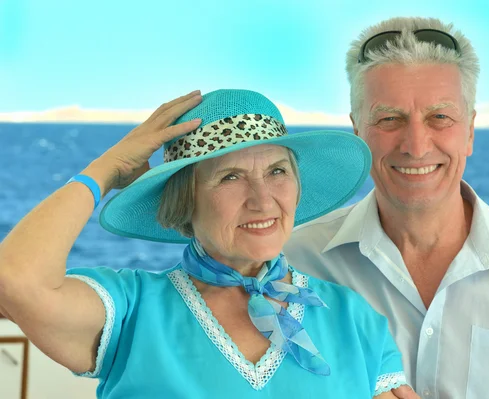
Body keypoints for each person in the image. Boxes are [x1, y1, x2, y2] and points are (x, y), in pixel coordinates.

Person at [0, 89, 413, 398]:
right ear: (185, 201)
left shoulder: (353, 318)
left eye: (276, 171)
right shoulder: (130, 310)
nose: (262, 198)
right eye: (230, 177)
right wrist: (106, 168)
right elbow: (15, 279)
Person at [284, 16, 489, 398]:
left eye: (439, 117)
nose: (416, 146)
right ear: (357, 132)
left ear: (469, 130)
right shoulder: (293, 264)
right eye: (389, 119)